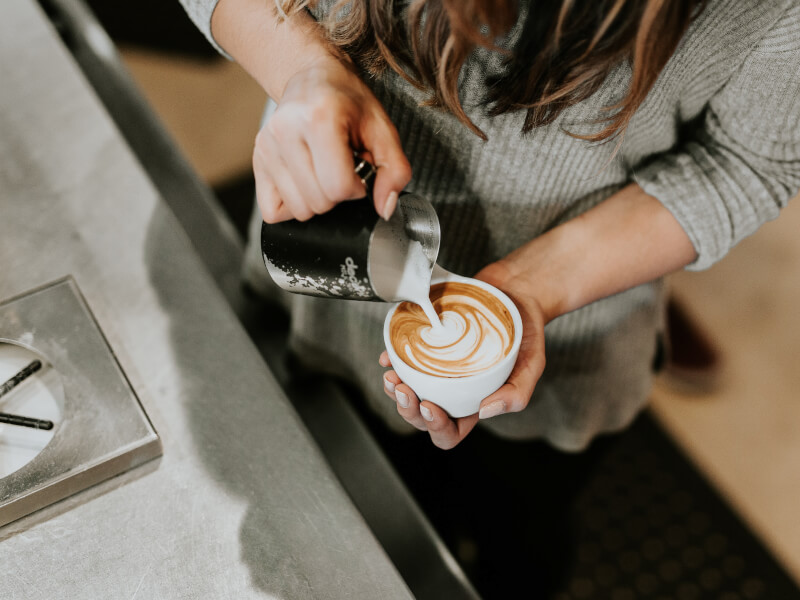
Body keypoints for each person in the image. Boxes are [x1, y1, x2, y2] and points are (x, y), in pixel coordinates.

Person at [179, 0, 800, 451]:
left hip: (570, 349)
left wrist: (536, 287)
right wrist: (301, 68)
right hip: (326, 286)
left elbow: (747, 162)